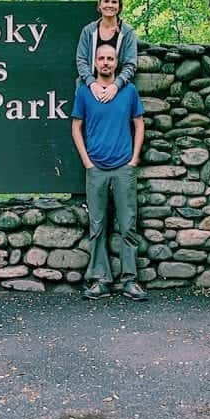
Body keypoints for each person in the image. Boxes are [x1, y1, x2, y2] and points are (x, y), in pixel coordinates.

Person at [71, 44, 148, 301]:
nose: (105, 62)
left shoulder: (128, 92)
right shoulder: (84, 92)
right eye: (101, 58)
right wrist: (87, 163)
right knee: (97, 225)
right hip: (96, 168)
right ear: (95, 62)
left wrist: (134, 159)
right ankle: (100, 281)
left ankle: (130, 281)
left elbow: (139, 125)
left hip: (123, 167)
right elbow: (76, 128)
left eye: (110, 58)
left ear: (116, 63)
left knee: (127, 226)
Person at [76, 0, 138, 103]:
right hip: (90, 89)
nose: (110, 5)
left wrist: (115, 86)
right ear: (99, 5)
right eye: (106, 1)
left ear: (119, 7)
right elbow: (81, 60)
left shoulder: (127, 32)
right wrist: (92, 84)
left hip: (118, 89)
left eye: (114, 2)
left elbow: (130, 64)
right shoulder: (89, 31)